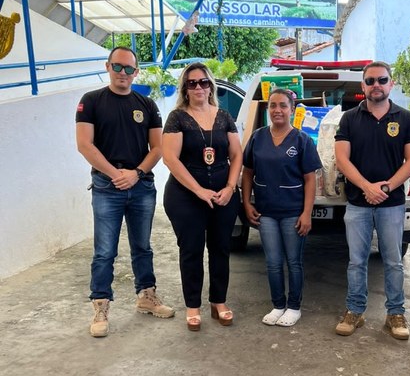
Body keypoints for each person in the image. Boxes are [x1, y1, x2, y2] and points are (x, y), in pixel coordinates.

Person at [76, 46, 174, 338]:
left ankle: (147, 296)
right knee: (105, 252)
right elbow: (85, 144)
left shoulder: (147, 104)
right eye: (117, 67)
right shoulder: (91, 101)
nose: (123, 73)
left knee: (142, 247)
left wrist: (136, 173)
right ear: (108, 67)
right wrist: (114, 174)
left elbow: (157, 147)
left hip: (141, 185)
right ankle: (101, 305)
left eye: (129, 69)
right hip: (107, 186)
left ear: (136, 72)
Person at [334, 61, 410, 339]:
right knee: (356, 261)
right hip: (357, 203)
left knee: (393, 261)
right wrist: (365, 187)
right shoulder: (349, 118)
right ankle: (354, 311)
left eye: (382, 80)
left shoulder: (405, 119)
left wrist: (385, 187)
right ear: (363, 86)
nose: (376, 86)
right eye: (370, 81)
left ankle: (395, 314)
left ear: (391, 84)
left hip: (392, 203)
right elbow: (341, 158)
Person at [162, 62, 242, 331]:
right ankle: (193, 306)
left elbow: (236, 154)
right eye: (192, 83)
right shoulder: (177, 117)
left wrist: (231, 187)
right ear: (185, 88)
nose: (198, 87)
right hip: (186, 196)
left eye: (203, 82)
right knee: (191, 251)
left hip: (222, 193)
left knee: (221, 248)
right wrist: (198, 190)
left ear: (211, 86)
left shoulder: (224, 116)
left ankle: (218, 301)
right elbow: (170, 158)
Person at [242, 88, 322, 327]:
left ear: (292, 109)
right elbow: (247, 172)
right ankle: (278, 305)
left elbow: (311, 179)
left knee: (293, 261)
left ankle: (294, 307)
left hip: (293, 213)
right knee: (273, 262)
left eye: (283, 106)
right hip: (266, 212)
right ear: (268, 109)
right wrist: (246, 203)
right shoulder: (257, 137)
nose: (277, 110)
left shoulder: (302, 140)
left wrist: (307, 213)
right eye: (273, 106)